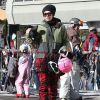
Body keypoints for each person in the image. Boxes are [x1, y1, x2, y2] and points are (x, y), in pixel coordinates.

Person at [26, 4, 67, 100]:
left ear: (53, 14)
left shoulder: (61, 27)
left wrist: (66, 51)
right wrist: (29, 35)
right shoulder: (39, 27)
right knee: (43, 86)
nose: (47, 16)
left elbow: (65, 41)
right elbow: (34, 45)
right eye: (45, 14)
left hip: (55, 60)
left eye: (49, 14)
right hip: (42, 60)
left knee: (53, 87)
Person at [66, 18, 83, 100]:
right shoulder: (74, 34)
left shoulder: (65, 32)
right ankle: (75, 97)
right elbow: (77, 49)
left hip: (64, 61)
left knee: (66, 79)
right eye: (78, 26)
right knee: (74, 79)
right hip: (73, 60)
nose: (78, 28)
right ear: (74, 25)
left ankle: (65, 96)